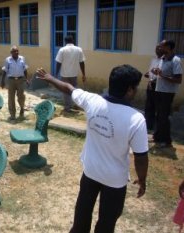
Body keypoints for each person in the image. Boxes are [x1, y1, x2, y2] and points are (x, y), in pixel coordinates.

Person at [36, 65, 149, 233]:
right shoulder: (136, 119)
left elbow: (69, 89)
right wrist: (142, 179)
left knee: (82, 214)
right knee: (107, 221)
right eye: (136, 87)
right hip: (115, 180)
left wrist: (50, 78)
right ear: (130, 90)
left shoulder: (92, 101)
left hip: (91, 172)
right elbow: (140, 157)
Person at [152, 40, 183, 148]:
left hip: (168, 92)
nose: (160, 48)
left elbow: (178, 80)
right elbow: (160, 73)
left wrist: (162, 76)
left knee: (164, 116)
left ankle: (166, 141)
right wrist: (155, 71)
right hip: (159, 90)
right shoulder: (163, 58)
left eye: (162, 46)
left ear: (169, 47)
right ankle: (157, 137)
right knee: (158, 115)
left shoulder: (176, 60)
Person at [55, 35, 86, 113]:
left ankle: (67, 108)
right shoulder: (79, 50)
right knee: (74, 90)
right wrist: (83, 74)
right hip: (74, 74)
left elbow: (58, 63)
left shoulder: (62, 50)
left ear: (65, 41)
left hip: (64, 75)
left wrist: (56, 74)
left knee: (66, 91)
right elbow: (82, 62)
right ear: (73, 40)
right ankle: (76, 105)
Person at [1, 45, 29, 121]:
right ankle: (12, 115)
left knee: (21, 96)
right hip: (11, 81)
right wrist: (2, 81)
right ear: (11, 52)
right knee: (11, 98)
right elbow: (5, 70)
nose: (16, 52)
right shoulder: (8, 60)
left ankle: (22, 108)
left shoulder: (22, 58)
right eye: (14, 51)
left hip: (21, 80)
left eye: (17, 51)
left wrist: (26, 79)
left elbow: (25, 69)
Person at [144, 44, 163, 132]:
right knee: (149, 105)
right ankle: (148, 126)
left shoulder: (164, 60)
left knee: (158, 107)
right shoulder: (154, 59)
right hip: (151, 84)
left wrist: (154, 75)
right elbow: (150, 71)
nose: (157, 49)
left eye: (160, 48)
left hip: (159, 85)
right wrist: (148, 74)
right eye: (156, 48)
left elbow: (161, 74)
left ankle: (158, 128)